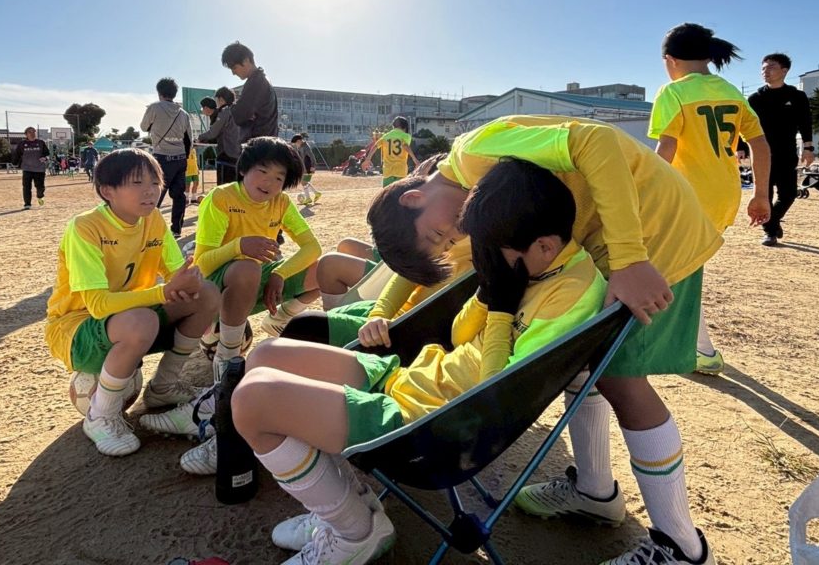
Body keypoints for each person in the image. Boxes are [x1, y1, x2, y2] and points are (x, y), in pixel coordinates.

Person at [367, 115, 722, 565]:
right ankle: (595, 491)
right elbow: (424, 258)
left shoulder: (474, 154)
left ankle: (681, 547)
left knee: (622, 381)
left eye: (439, 235)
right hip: (607, 245)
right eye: (443, 243)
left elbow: (595, 141)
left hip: (652, 237)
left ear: (415, 196)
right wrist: (384, 310)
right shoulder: (468, 198)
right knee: (579, 363)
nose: (452, 237)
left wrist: (630, 259)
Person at [231, 158, 607, 565]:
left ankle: (354, 530)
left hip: (430, 421)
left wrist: (501, 308)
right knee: (265, 355)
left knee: (251, 402)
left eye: (492, 253)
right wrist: (487, 295)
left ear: (546, 247)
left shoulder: (569, 295)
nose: (484, 258)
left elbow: (497, 393)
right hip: (414, 379)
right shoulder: (525, 261)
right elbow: (460, 336)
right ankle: (346, 502)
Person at [141, 136, 321, 474]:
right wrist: (240, 246)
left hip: (257, 277)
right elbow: (203, 262)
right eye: (262, 171)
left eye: (279, 177)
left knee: (324, 270)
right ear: (244, 170)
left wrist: (280, 274)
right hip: (219, 284)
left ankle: (280, 321)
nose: (269, 183)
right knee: (247, 267)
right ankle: (227, 360)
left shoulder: (281, 203)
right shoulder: (222, 198)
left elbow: (313, 248)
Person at [44, 149, 220, 457]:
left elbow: (175, 273)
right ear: (107, 191)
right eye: (137, 182)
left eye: (154, 182)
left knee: (206, 294)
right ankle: (100, 415)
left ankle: (163, 387)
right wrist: (163, 293)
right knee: (142, 320)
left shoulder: (153, 220)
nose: (150, 191)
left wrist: (189, 279)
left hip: (133, 319)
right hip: (77, 329)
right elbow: (98, 306)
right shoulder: (85, 227)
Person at [649, 23, 771, 375]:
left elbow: (666, 147)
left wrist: (646, 191)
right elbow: (760, 144)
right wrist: (761, 195)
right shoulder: (731, 92)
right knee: (683, 267)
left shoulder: (673, 92)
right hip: (725, 195)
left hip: (687, 196)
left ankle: (702, 351)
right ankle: (695, 346)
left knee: (675, 269)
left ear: (670, 60)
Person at [746, 53, 815, 247]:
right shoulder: (755, 98)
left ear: (784, 71)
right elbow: (745, 124)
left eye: (771, 67)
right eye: (763, 68)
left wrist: (808, 147)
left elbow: (805, 122)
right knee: (765, 195)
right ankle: (770, 232)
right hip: (761, 153)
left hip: (786, 152)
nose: (765, 72)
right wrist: (741, 148)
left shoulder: (796, 96)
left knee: (788, 194)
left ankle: (773, 222)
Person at [140, 77, 193, 237]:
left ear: (159, 93)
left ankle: (150, 229)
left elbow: (143, 127)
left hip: (161, 157)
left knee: (155, 194)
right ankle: (176, 229)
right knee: (179, 195)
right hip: (180, 158)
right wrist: (185, 157)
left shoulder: (154, 108)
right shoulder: (183, 114)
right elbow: (189, 139)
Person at [222, 42, 279, 141]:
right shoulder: (263, 79)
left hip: (258, 145)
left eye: (234, 67)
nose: (233, 73)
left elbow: (239, 115)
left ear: (246, 60)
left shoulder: (256, 82)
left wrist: (229, 111)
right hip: (267, 142)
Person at [197, 88, 242, 186]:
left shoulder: (225, 111)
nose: (216, 103)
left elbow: (213, 133)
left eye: (216, 100)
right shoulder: (239, 110)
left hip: (226, 153)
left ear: (221, 99)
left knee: (223, 186)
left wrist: (199, 137)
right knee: (236, 186)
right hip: (239, 153)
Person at [362, 116, 418, 186]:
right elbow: (405, 146)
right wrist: (415, 160)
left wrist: (368, 159)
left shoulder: (385, 136)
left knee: (387, 192)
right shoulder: (406, 136)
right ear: (405, 127)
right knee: (400, 192)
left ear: (393, 126)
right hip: (400, 171)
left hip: (387, 172)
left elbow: (375, 146)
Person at [13, 127, 50, 210]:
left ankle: (40, 196)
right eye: (30, 132)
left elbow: (47, 154)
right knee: (26, 187)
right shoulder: (22, 144)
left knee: (40, 187)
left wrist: (45, 158)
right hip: (27, 169)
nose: (32, 133)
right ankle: (27, 204)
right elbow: (17, 154)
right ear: (26, 134)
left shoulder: (41, 143)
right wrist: (15, 162)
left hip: (39, 169)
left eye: (34, 132)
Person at [292, 134, 321, 204]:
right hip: (304, 167)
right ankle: (315, 194)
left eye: (296, 143)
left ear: (299, 141)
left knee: (303, 182)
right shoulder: (300, 147)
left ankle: (309, 198)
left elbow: (312, 156)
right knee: (304, 182)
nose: (295, 144)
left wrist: (313, 166)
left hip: (308, 167)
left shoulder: (305, 147)